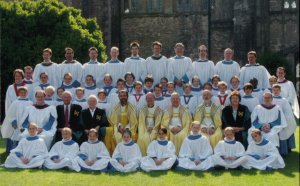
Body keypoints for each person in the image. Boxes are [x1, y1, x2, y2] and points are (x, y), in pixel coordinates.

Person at [1, 87, 33, 151]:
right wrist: (13, 121)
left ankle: (25, 151)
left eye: (24, 92)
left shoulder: (30, 103)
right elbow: (11, 113)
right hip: (17, 124)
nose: (23, 94)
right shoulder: (15, 102)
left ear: (27, 93)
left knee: (25, 137)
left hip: (26, 123)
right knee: (16, 137)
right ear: (19, 93)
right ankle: (14, 151)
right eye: (21, 92)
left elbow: (32, 113)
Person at [272, 84, 297, 155]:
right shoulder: (270, 99)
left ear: (280, 91)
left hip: (282, 120)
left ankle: (283, 151)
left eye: (277, 90)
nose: (276, 91)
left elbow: (288, 112)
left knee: (283, 134)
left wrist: (282, 120)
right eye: (274, 90)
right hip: (272, 120)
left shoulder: (284, 100)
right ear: (272, 90)